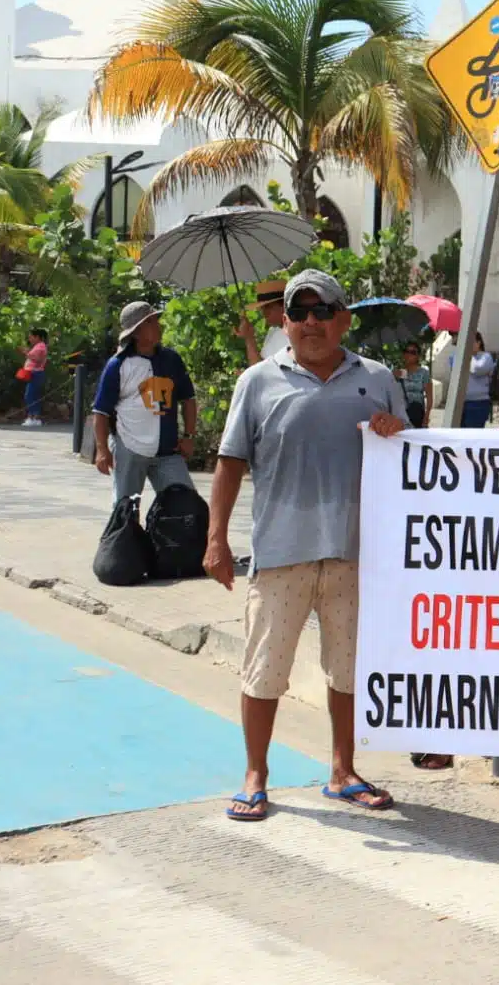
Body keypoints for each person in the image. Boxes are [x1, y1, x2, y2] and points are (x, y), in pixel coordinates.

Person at [204, 269, 407, 822]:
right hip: (280, 552)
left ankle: (343, 771)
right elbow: (229, 462)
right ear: (285, 322)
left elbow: (411, 459)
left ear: (344, 318)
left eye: (324, 310)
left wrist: (395, 431)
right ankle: (255, 774)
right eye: (300, 311)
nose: (312, 322)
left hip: (354, 553)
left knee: (347, 669)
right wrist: (216, 538)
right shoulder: (257, 381)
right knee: (264, 668)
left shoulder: (380, 378)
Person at [91, 303, 198, 504]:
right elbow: (101, 412)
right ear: (136, 332)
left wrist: (189, 436)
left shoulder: (172, 360)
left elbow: (188, 399)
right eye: (150, 322)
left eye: (156, 320)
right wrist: (102, 450)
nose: (158, 326)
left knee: (184, 505)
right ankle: (124, 537)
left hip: (168, 451)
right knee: (126, 509)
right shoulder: (118, 365)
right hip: (129, 448)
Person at [445, 331, 495, 428]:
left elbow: (477, 369)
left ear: (478, 342)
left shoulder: (486, 357)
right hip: (460, 402)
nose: (467, 345)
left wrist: (467, 355)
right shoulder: (457, 356)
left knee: (472, 435)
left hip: (478, 403)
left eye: (470, 342)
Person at [236, 280, 290, 364]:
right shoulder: (273, 331)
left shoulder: (293, 334)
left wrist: (249, 338)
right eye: (262, 307)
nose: (263, 312)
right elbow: (261, 366)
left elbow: (260, 368)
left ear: (283, 305)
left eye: (267, 306)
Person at [394, 342, 431, 428]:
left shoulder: (423, 373)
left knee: (418, 439)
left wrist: (427, 416)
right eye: (406, 351)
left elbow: (429, 397)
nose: (409, 354)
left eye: (413, 352)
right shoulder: (400, 373)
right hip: (402, 414)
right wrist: (394, 377)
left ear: (418, 356)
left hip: (417, 413)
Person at [20, 328, 48, 426]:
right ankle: (33, 417)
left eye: (31, 336)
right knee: (34, 395)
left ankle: (33, 417)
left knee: (29, 395)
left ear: (37, 337)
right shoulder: (38, 346)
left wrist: (27, 354)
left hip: (36, 373)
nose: (29, 338)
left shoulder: (41, 346)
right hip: (33, 373)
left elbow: (39, 359)